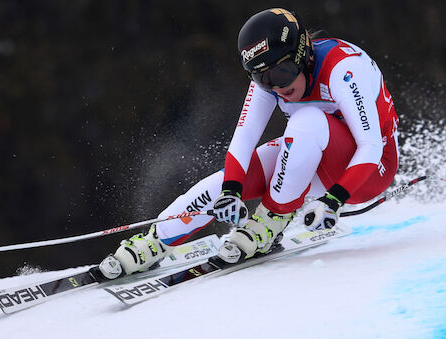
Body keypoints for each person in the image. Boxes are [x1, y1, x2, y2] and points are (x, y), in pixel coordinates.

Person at [97, 8, 399, 279]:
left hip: (369, 172)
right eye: (263, 79)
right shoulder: (273, 80)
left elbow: (371, 146)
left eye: (282, 73)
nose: (277, 87)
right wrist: (231, 192)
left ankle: (271, 221)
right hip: (311, 157)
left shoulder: (342, 69)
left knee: (306, 119)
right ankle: (155, 240)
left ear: (303, 55)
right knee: (217, 186)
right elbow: (242, 141)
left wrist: (333, 200)